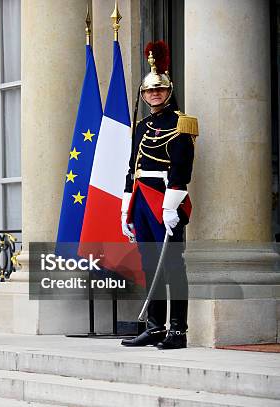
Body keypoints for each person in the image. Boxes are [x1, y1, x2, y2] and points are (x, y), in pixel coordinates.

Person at [120, 41, 198, 349]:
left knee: (173, 266)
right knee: (149, 263)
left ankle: (177, 330)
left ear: (168, 91)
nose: (154, 94)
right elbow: (132, 167)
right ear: (144, 95)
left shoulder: (181, 123)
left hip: (166, 200)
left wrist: (171, 207)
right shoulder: (141, 126)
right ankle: (154, 327)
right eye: (149, 91)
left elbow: (182, 169)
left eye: (159, 90)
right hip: (141, 200)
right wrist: (125, 208)